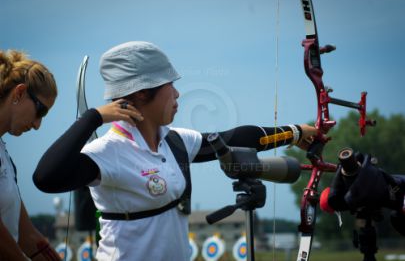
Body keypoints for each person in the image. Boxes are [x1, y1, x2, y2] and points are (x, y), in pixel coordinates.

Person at [33, 41, 318, 260]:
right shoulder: (109, 151)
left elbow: (236, 137)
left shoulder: (176, 141)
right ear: (143, 92)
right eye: (170, 85)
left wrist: (293, 133)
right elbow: (46, 177)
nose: (177, 93)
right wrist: (93, 117)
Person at [0, 50, 60, 260]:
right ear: (19, 93)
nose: (37, 125)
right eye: (40, 111)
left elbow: (28, 236)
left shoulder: (4, 153)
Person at [321, 149, 405, 236]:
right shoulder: (357, 191)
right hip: (399, 192)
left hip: (400, 194)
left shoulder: (353, 198)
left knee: (396, 217)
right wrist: (341, 168)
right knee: (396, 217)